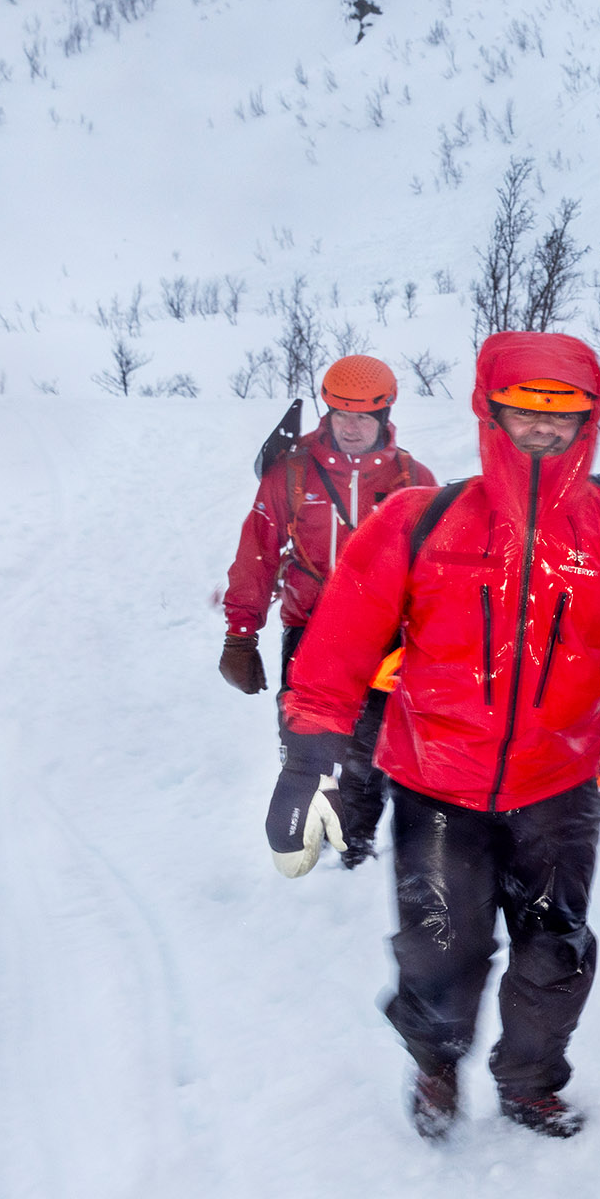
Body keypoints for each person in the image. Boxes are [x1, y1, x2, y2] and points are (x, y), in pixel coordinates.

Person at [264, 332, 600, 1140]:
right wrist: (306, 768)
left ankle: (528, 1081)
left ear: (591, 419)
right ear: (490, 411)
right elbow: (337, 648)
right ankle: (437, 1062)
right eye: (525, 412)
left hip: (559, 786)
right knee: (440, 950)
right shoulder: (421, 521)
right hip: (434, 785)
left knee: (557, 953)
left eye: (564, 415)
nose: (543, 430)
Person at [222, 354, 437, 865]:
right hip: (308, 626)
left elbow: (436, 568)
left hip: (385, 637)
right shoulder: (293, 473)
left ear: (385, 416)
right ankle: (303, 829)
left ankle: (354, 845)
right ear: (327, 412)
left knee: (371, 746)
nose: (352, 427)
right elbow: (257, 550)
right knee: (305, 738)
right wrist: (239, 635)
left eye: (365, 416)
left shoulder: (414, 477)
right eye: (342, 414)